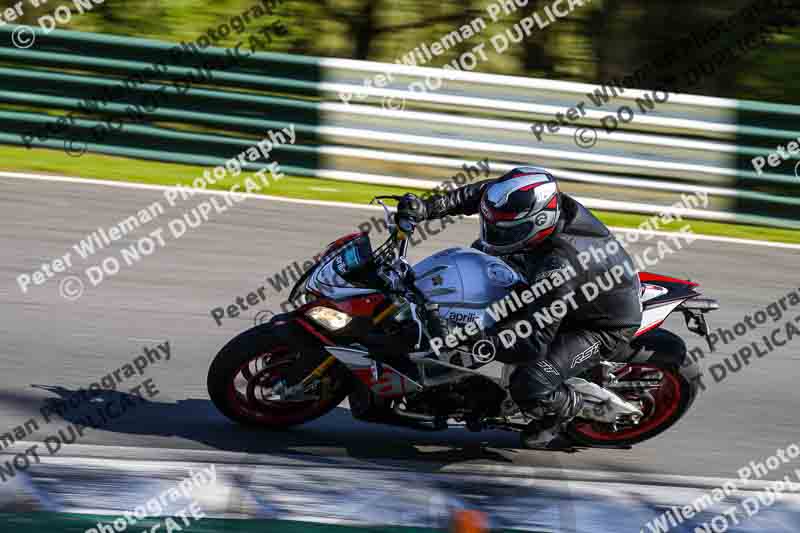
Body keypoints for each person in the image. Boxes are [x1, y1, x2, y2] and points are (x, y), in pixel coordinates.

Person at [395, 166, 643, 447]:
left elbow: (531, 343)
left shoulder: (559, 268)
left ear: (538, 222)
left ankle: (560, 411)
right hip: (547, 276)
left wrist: (471, 338)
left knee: (530, 382)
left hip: (598, 325)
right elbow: (485, 194)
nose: (496, 234)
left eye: (508, 230)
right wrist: (428, 208)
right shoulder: (537, 204)